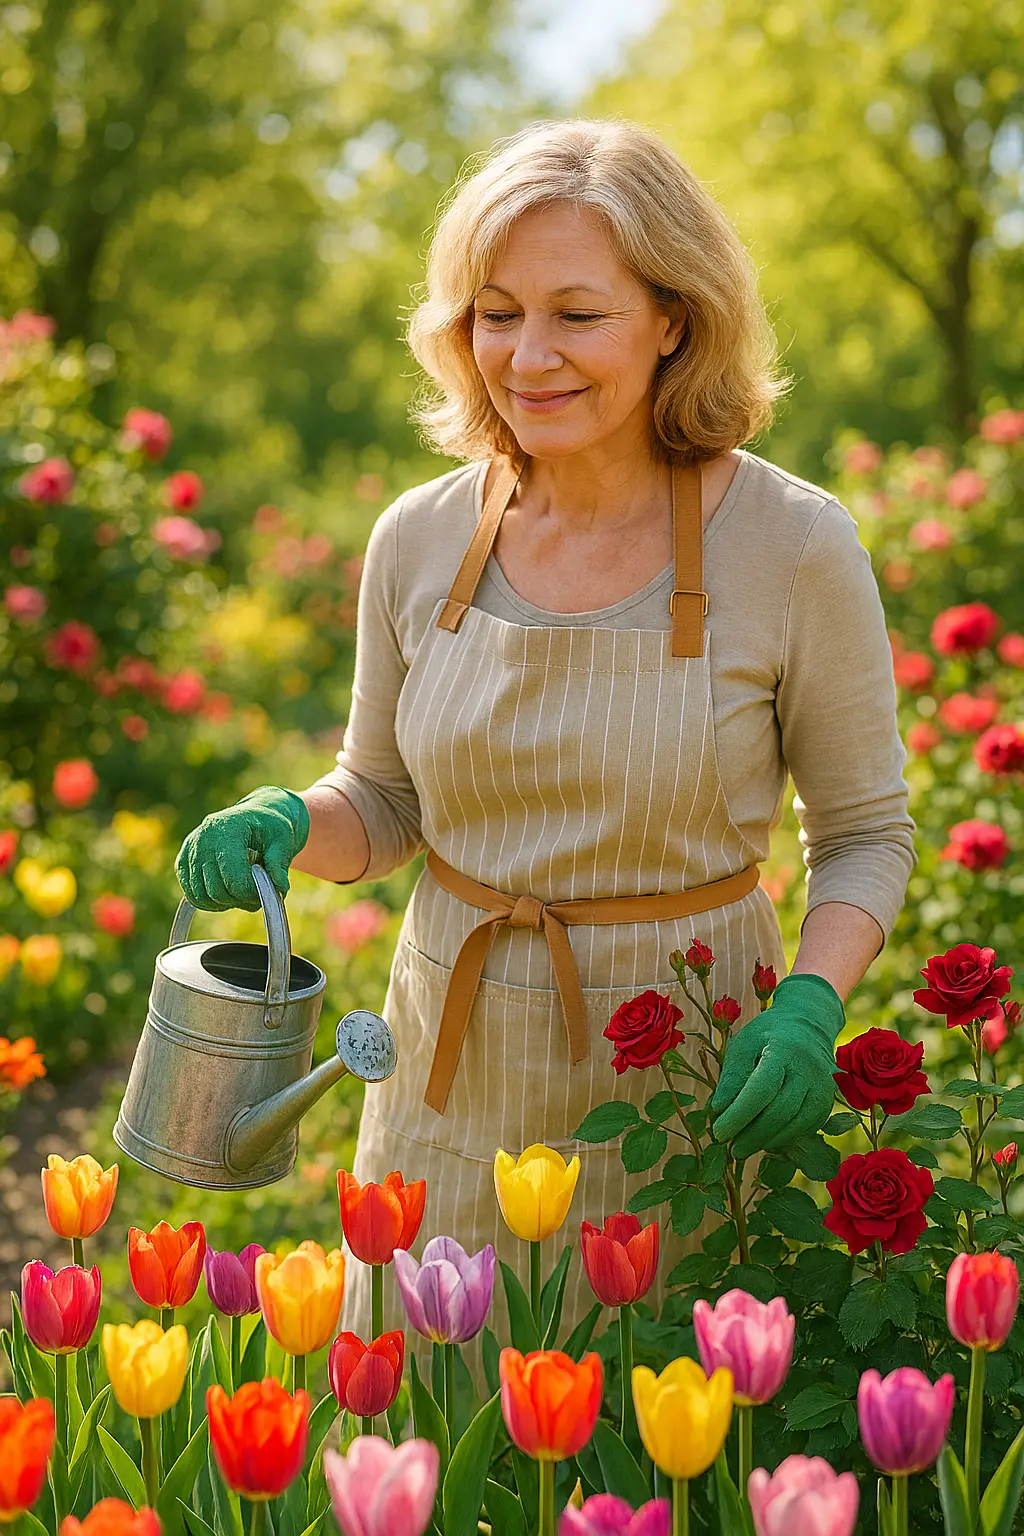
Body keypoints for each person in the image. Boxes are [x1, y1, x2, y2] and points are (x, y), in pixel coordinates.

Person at [175, 119, 916, 1343]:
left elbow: (864, 834)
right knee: (428, 1415)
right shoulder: (420, 536)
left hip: (689, 1080)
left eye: (578, 314)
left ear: (673, 317)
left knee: (661, 1446)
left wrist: (808, 1005)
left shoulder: (789, 544)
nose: (528, 356)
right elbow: (386, 799)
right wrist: (288, 821)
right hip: (445, 1074)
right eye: (495, 311)